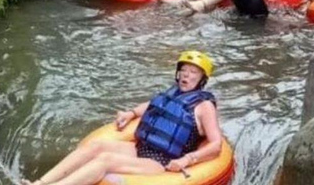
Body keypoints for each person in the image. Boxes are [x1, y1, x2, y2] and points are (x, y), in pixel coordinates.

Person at [21, 51, 224, 185]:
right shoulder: (173, 93)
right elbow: (154, 106)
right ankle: (40, 183)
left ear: (202, 79)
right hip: (142, 148)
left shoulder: (204, 106)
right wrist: (132, 113)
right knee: (95, 146)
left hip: (162, 161)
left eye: (193, 72)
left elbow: (215, 145)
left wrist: (186, 160)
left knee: (105, 160)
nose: (186, 76)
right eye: (184, 71)